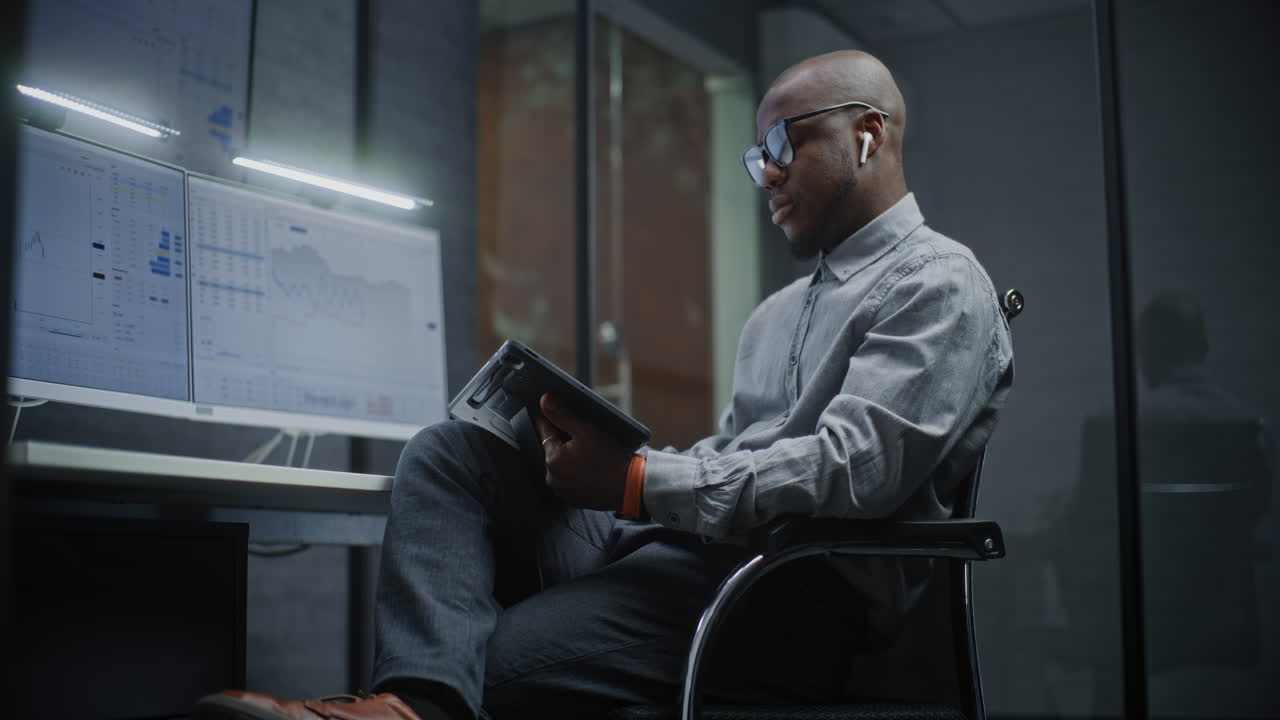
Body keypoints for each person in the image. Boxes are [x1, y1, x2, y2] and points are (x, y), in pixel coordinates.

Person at [193, 49, 1014, 720]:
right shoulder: (774, 315)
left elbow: (852, 470)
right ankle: (420, 704)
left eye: (781, 145)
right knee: (455, 454)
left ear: (867, 135)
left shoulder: (938, 284)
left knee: (496, 660)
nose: (763, 175)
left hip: (789, 596)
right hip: (688, 558)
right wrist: (614, 467)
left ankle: (427, 704)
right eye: (752, 155)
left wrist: (635, 481)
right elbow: (740, 455)